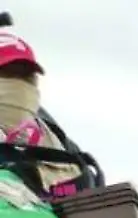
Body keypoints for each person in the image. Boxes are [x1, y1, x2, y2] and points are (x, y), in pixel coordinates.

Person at [0, 26, 82, 198]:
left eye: (25, 76)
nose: (18, 84)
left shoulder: (58, 143)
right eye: (6, 73)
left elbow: (87, 194)